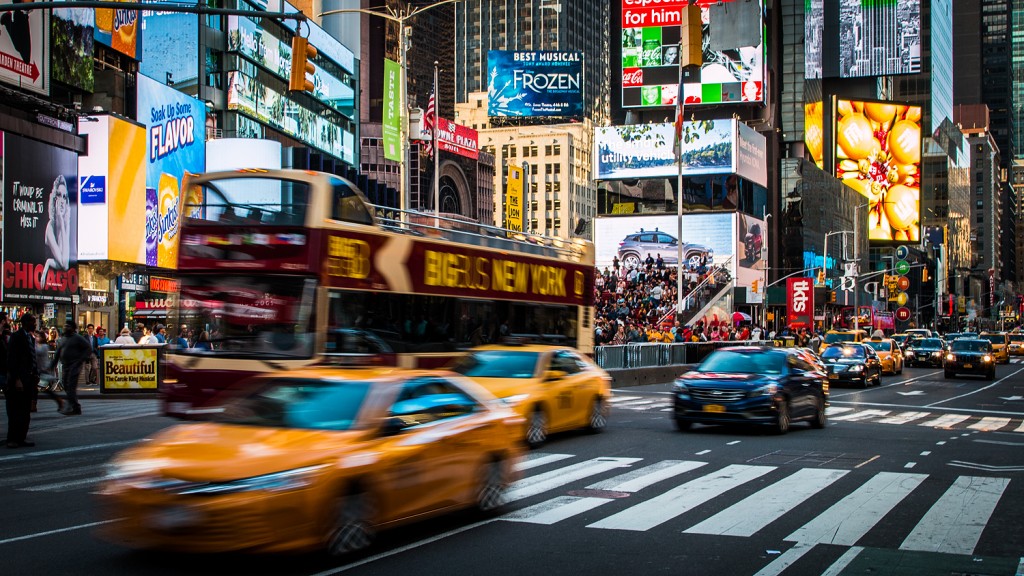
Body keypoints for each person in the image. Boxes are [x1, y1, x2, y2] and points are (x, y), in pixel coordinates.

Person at [6, 313, 39, 448]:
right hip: (19, 379)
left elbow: (31, 357)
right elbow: (13, 359)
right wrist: (17, 379)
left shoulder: (29, 337)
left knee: (25, 411)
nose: (35, 324)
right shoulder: (17, 337)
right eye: (33, 322)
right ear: (26, 323)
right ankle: (13, 438)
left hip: (29, 378)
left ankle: (21, 437)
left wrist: (35, 373)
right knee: (16, 411)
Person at [40, 175, 71, 290]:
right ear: (54, 199)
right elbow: (64, 264)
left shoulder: (66, 224)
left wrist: (62, 222)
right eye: (59, 195)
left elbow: (65, 264)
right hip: (47, 288)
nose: (62, 201)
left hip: (59, 287)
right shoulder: (50, 227)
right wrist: (59, 217)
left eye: (64, 197)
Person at [55, 321, 91, 416]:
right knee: (66, 385)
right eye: (65, 326)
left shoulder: (78, 338)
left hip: (75, 365)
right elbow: (58, 352)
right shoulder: (63, 339)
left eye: (68, 326)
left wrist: (81, 359)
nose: (66, 328)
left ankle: (74, 407)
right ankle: (74, 405)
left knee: (71, 385)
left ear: (73, 328)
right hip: (66, 365)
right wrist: (52, 364)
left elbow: (88, 348)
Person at [34, 330, 63, 413]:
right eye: (35, 337)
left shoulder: (43, 346)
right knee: (42, 388)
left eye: (38, 337)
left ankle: (58, 400)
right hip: (39, 369)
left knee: (44, 389)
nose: (36, 338)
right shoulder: (38, 345)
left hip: (43, 369)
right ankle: (58, 400)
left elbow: (38, 352)